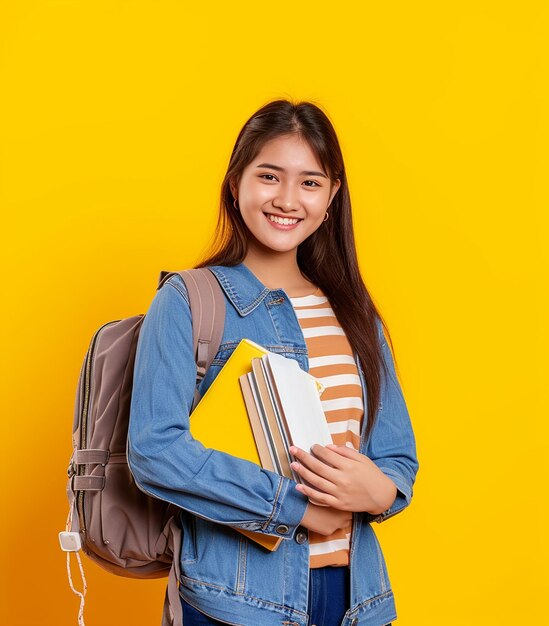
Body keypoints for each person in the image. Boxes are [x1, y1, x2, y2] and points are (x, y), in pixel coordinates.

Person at [128, 98, 419, 626]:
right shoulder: (190, 301)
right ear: (235, 182)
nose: (288, 199)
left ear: (332, 197)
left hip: (360, 603)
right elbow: (155, 450)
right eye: (269, 176)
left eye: (310, 182)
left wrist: (380, 490)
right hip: (237, 603)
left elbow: (397, 458)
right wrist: (297, 507)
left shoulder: (356, 315)